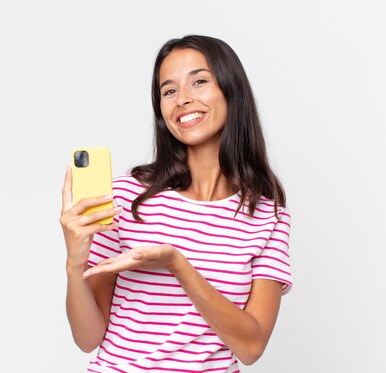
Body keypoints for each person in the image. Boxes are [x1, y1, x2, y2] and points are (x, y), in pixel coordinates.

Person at [60, 35, 292, 372]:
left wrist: (178, 265)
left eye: (199, 81)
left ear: (231, 90)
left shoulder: (268, 217)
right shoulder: (127, 197)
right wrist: (74, 264)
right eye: (168, 91)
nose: (182, 99)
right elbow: (87, 337)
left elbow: (251, 346)